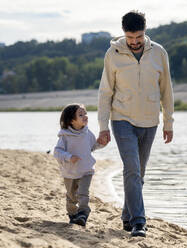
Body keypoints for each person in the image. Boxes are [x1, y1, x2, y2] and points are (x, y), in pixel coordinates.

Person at [97, 11, 174, 237]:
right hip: (121, 119)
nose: (134, 42)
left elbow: (166, 90)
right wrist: (103, 126)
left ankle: (127, 217)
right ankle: (140, 221)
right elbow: (105, 91)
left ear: (145, 31)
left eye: (138, 37)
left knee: (138, 174)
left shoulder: (159, 53)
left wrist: (168, 121)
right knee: (131, 168)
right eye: (130, 38)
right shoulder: (113, 53)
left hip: (150, 121)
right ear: (124, 34)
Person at [54, 103, 104, 227]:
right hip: (70, 172)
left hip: (86, 170)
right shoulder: (65, 136)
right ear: (71, 120)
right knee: (71, 196)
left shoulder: (87, 133)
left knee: (83, 193)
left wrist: (102, 143)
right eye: (81, 114)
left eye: (85, 113)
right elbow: (57, 152)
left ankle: (83, 214)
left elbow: (93, 147)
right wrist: (69, 157)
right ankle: (73, 215)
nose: (85, 116)